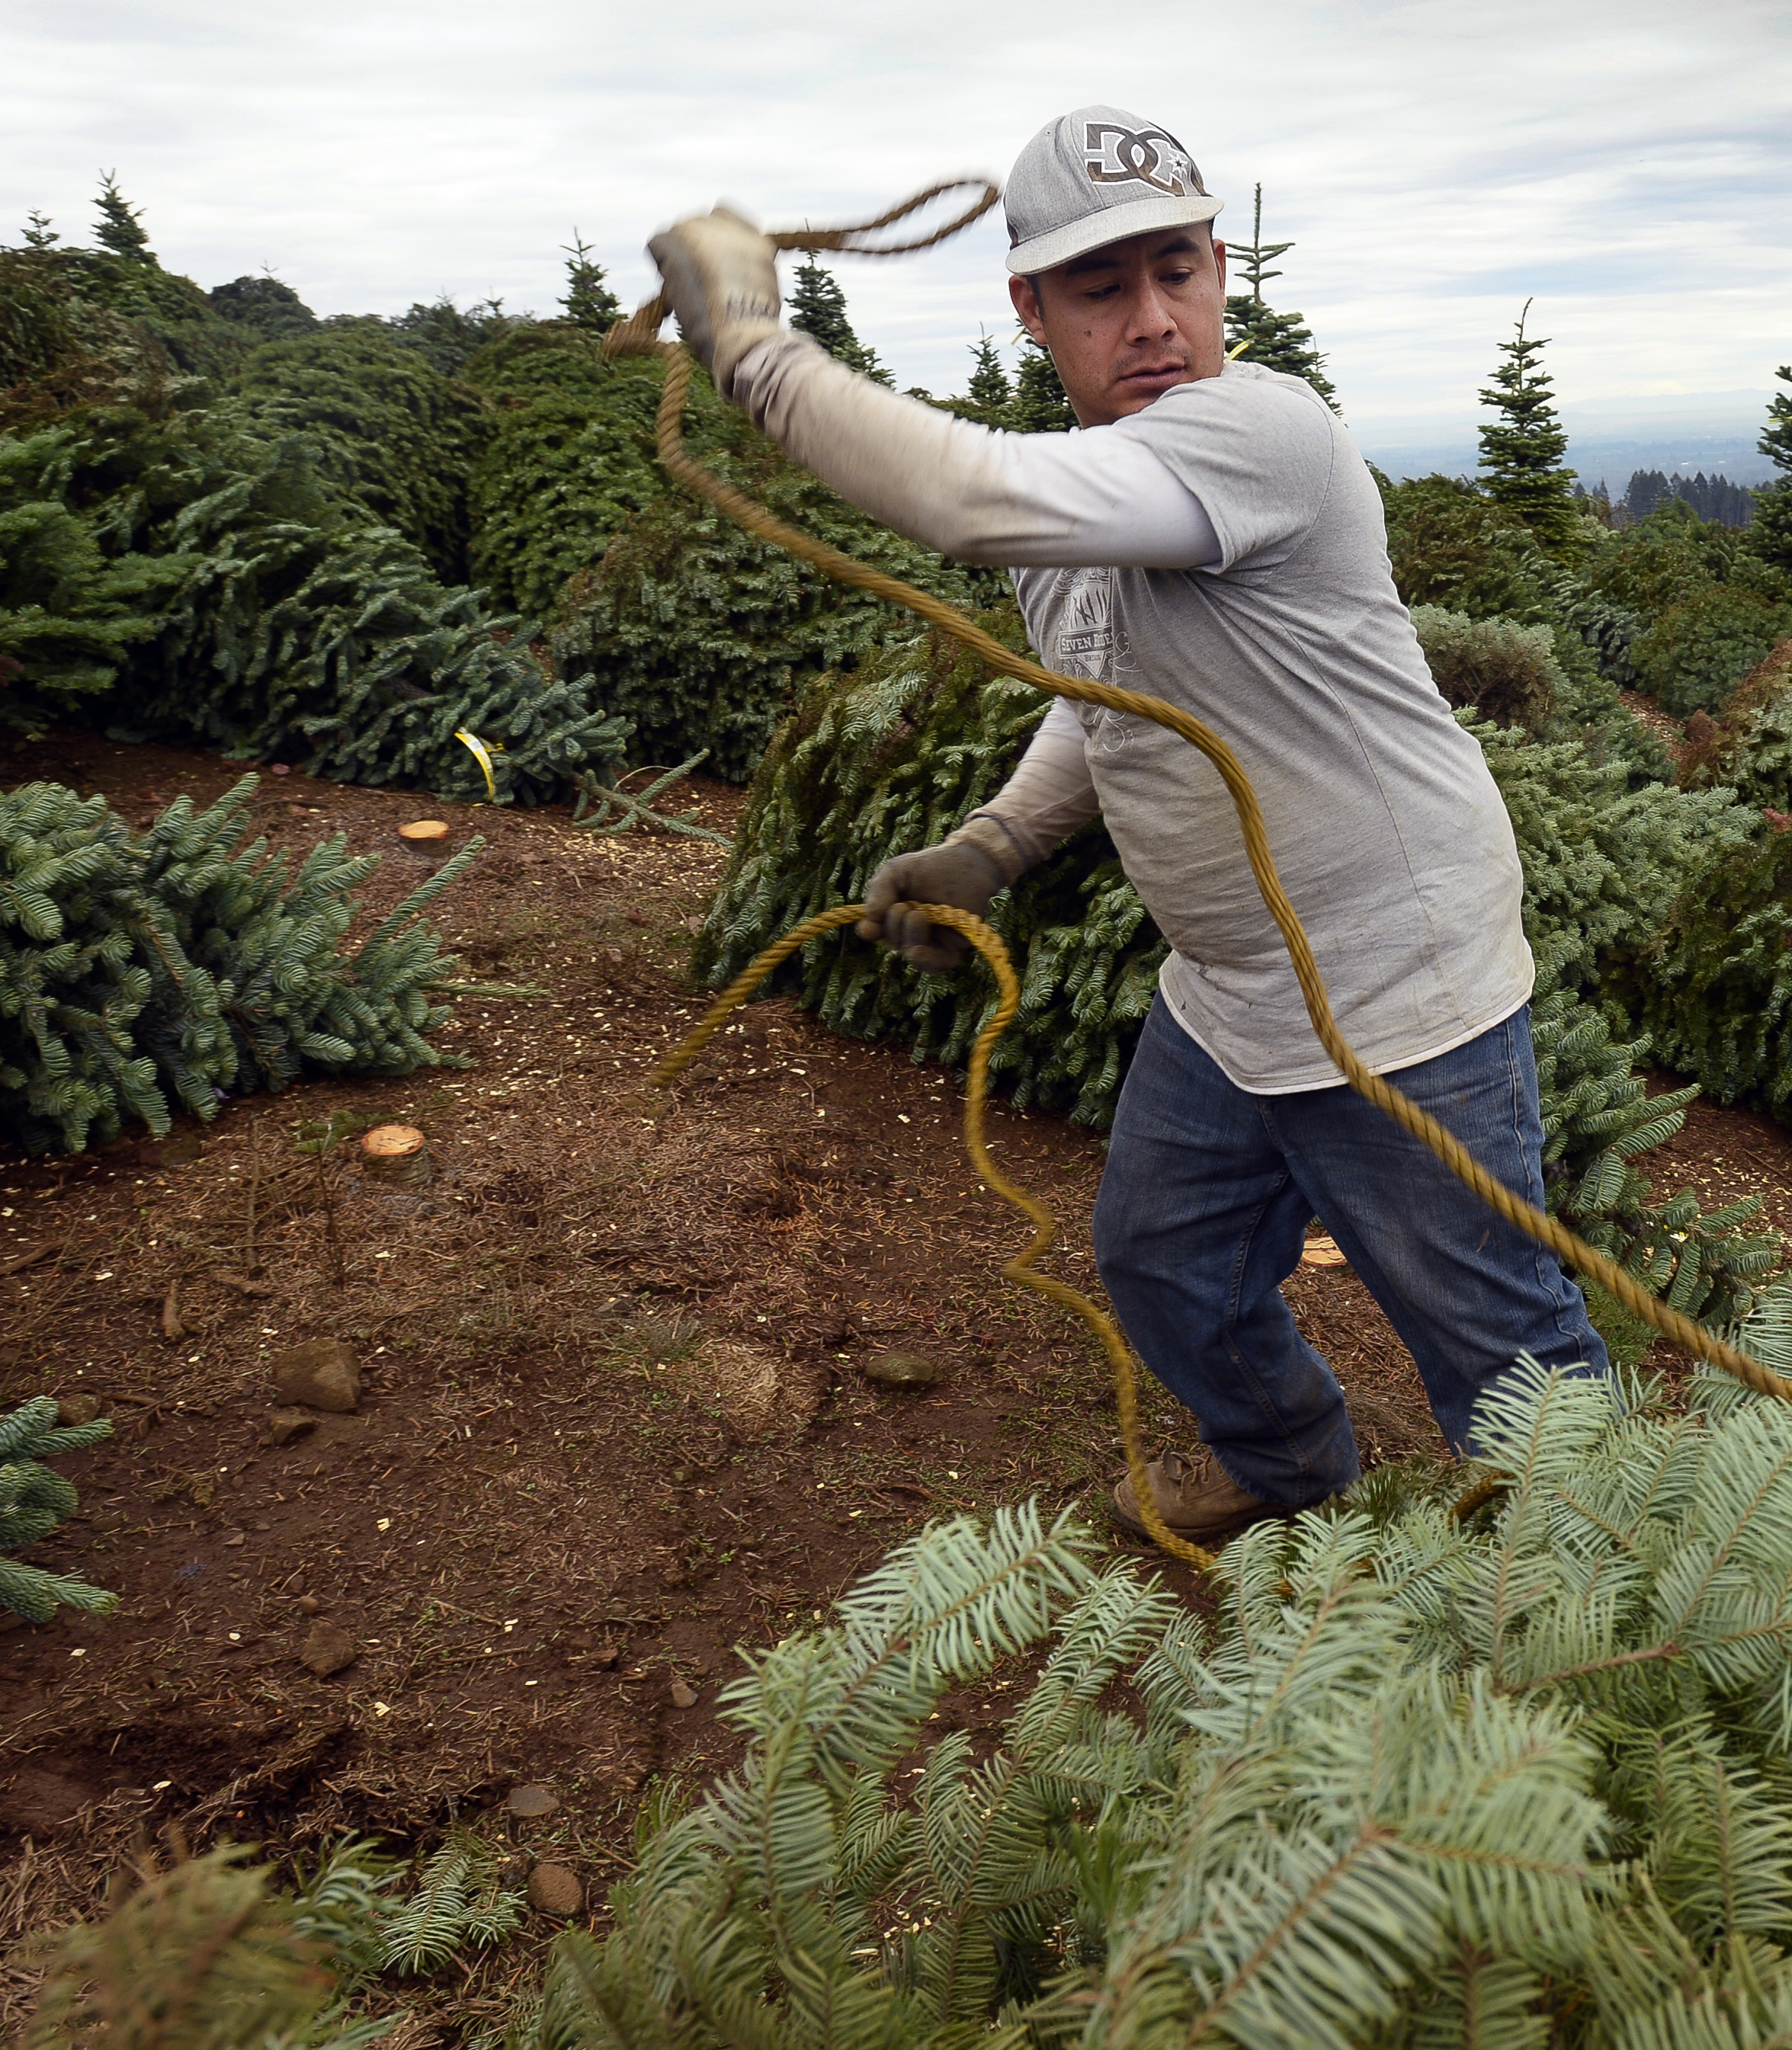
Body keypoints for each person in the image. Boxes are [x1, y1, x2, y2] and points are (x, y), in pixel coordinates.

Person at [646, 104, 1608, 1543]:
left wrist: (744, 342)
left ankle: (1618, 1596)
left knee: (1500, 1341)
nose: (1154, 320)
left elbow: (968, 501)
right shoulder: (1097, 498)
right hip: (1232, 995)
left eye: (1179, 271)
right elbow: (1105, 698)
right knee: (1163, 1259)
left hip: (1403, 993)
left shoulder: (1262, 435)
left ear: (1223, 267)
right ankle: (1292, 1466)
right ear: (1032, 308)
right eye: (1103, 288)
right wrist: (996, 842)